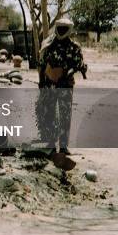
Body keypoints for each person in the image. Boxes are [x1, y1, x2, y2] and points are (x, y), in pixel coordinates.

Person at [35, 18, 87, 154]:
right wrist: (41, 82)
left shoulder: (74, 47)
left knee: (65, 115)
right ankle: (51, 143)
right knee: (49, 113)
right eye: (60, 28)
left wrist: (69, 71)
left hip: (66, 86)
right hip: (49, 85)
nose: (61, 31)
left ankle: (63, 146)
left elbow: (78, 64)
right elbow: (41, 65)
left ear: (69, 30)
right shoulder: (48, 45)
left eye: (64, 28)